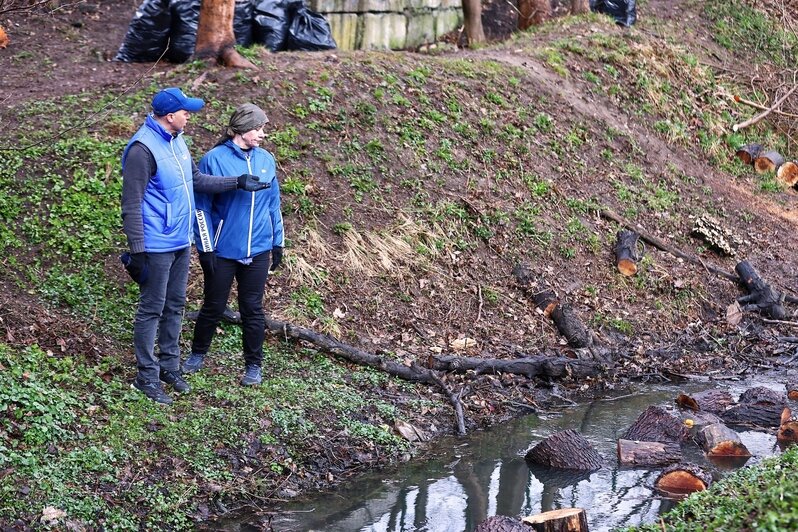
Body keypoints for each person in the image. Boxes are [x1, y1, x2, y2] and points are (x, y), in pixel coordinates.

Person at [121, 88, 270, 405]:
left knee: (174, 305)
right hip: (155, 244)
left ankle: (169, 367)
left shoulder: (178, 142)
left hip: (179, 240)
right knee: (151, 310)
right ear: (169, 116)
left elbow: (198, 181)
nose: (190, 115)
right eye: (185, 111)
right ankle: (146, 377)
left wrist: (237, 182)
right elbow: (131, 205)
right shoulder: (141, 150)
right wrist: (138, 251)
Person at [181, 103, 284, 386]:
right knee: (213, 305)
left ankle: (253, 365)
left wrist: (278, 243)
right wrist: (206, 248)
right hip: (223, 250)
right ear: (242, 129)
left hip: (259, 248)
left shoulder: (266, 160)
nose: (262, 134)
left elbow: (274, 204)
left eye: (264, 129)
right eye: (258, 128)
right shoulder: (214, 159)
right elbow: (201, 207)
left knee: (252, 308)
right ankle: (197, 354)